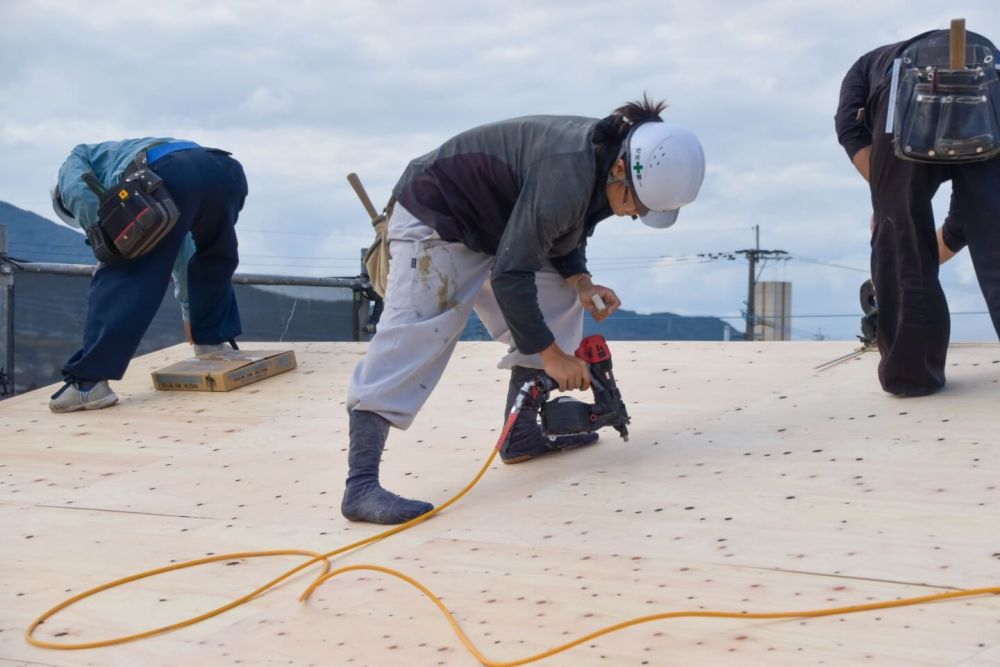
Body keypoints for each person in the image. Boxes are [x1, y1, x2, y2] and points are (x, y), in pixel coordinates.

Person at [342, 96, 705, 524]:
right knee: (416, 333)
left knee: (561, 303)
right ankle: (360, 485)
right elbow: (514, 274)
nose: (633, 215)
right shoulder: (568, 171)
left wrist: (581, 282)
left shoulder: (606, 163)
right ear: (622, 169)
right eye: (636, 205)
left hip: (498, 230)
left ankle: (522, 434)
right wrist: (551, 357)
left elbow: (566, 230)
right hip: (439, 217)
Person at [836, 29, 1000, 396]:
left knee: (901, 239)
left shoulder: (863, 68)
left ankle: (913, 375)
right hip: (988, 74)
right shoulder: (869, 63)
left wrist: (886, 205)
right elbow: (967, 225)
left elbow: (849, 127)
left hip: (907, 82)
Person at [48, 138, 248, 412]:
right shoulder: (115, 155)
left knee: (126, 271)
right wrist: (194, 317)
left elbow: (81, 196)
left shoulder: (73, 161)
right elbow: (183, 255)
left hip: (166, 174)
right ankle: (212, 343)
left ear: (60, 199)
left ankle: (88, 385)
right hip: (223, 170)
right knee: (213, 257)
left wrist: (107, 247)